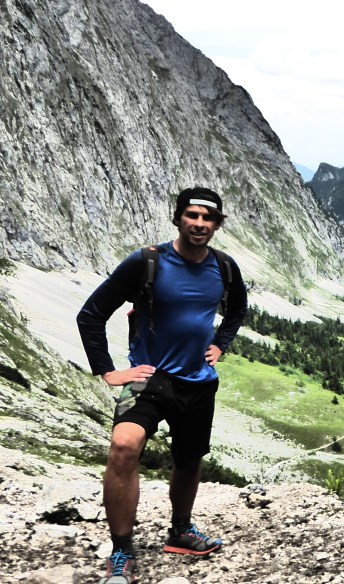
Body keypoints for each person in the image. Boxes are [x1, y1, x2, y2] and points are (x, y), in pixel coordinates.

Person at [77, 187, 248, 583]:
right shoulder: (146, 262)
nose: (199, 224)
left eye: (208, 219)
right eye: (192, 216)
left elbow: (238, 308)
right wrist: (107, 371)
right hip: (150, 380)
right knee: (123, 447)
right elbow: (91, 314)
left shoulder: (224, 266)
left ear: (217, 225)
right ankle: (121, 551)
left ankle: (181, 530)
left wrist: (219, 345)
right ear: (178, 218)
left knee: (189, 461)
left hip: (199, 383)